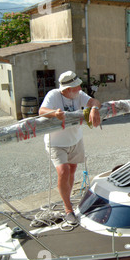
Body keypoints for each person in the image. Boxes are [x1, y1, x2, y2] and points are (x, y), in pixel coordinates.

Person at [39, 71, 101, 225]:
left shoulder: (78, 94)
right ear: (67, 89)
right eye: (76, 86)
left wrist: (94, 109)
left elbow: (95, 101)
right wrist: (54, 113)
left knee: (72, 170)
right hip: (57, 143)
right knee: (63, 171)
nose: (79, 87)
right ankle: (68, 209)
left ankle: (66, 196)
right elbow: (41, 111)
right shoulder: (53, 95)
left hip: (75, 140)